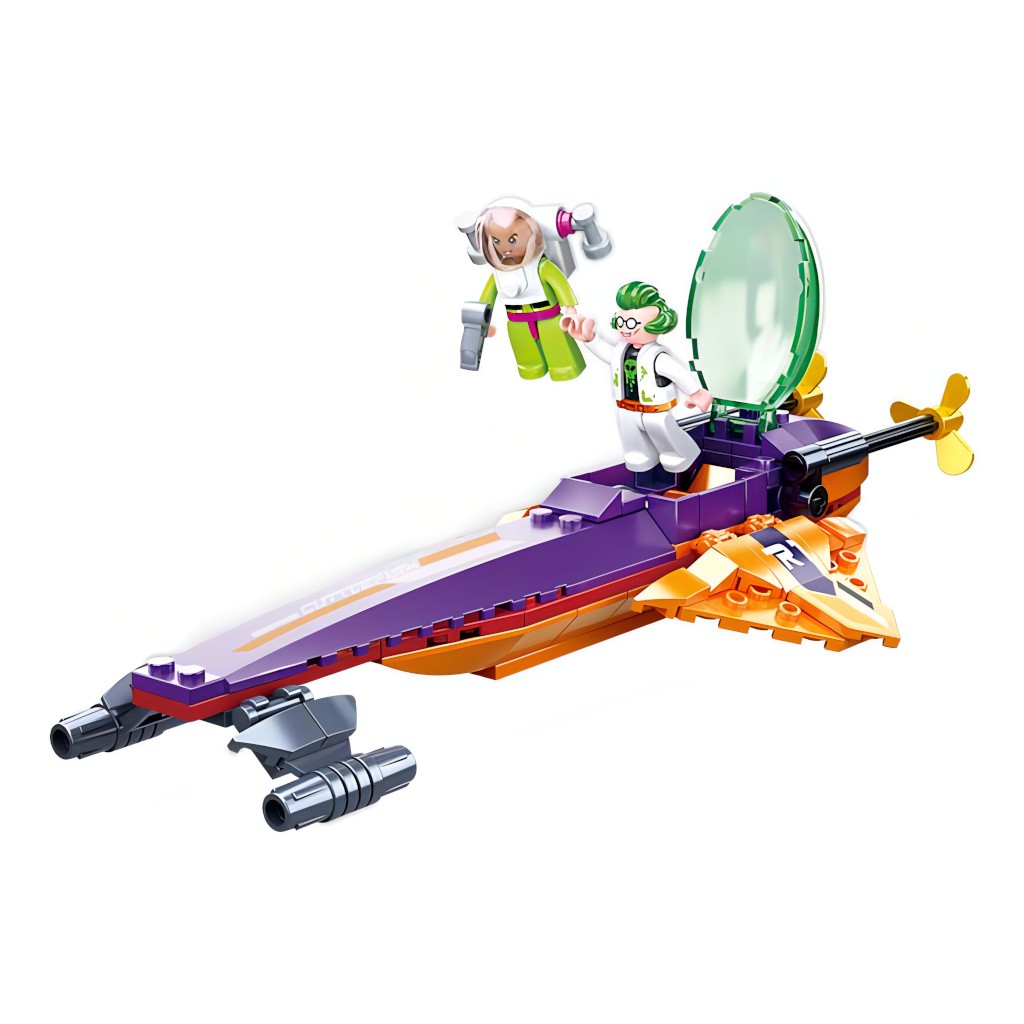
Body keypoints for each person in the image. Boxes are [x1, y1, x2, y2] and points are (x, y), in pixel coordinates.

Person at [562, 281, 713, 472]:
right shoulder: (621, 350)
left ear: (657, 324)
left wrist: (696, 393)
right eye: (620, 321)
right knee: (633, 442)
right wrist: (590, 339)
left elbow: (677, 373)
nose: (624, 328)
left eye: (631, 323)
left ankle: (682, 455)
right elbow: (607, 354)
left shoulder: (657, 356)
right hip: (626, 407)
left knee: (663, 433)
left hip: (654, 410)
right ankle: (641, 458)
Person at [471, 201, 587, 381]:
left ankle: (565, 367)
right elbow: (486, 299)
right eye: (496, 241)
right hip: (516, 322)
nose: (505, 247)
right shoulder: (498, 273)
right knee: (525, 352)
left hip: (548, 318)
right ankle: (531, 368)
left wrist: (570, 309)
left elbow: (560, 284)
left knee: (558, 347)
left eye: (512, 240)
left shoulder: (541, 266)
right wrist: (482, 322)